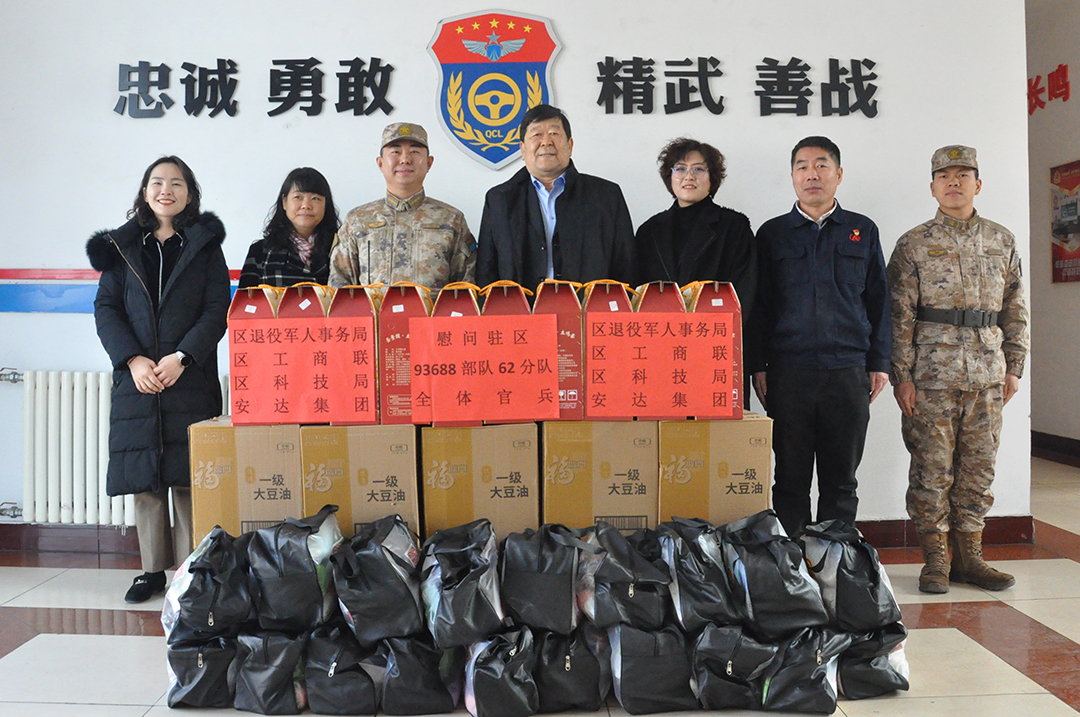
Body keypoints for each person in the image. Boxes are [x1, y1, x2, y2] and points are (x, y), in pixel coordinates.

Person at [87, 156, 229, 603]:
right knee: (145, 479)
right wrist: (132, 360)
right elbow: (107, 308)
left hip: (189, 375)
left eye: (177, 183)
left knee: (188, 478)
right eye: (157, 182)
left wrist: (182, 357)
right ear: (145, 191)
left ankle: (190, 571)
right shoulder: (122, 245)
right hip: (139, 379)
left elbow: (216, 309)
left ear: (190, 193)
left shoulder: (204, 244)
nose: (166, 190)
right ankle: (151, 572)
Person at [888, 145, 1029, 593]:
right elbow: (899, 315)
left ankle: (970, 557)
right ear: (932, 187)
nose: (954, 182)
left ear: (978, 184)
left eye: (963, 175)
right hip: (931, 375)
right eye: (944, 176)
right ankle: (935, 560)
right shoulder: (913, 244)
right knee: (931, 469)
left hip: (988, 372)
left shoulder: (1001, 240)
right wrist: (902, 376)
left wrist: (1014, 366)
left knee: (978, 468)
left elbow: (1015, 308)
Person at [750, 136, 891, 537]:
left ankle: (834, 561)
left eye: (821, 165)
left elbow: (880, 300)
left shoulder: (862, 230)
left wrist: (880, 363)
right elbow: (760, 306)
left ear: (838, 174)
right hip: (788, 373)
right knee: (789, 480)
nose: (812, 174)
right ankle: (792, 563)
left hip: (847, 371)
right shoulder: (773, 233)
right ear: (793, 176)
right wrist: (758, 366)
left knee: (841, 481)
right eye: (802, 166)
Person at [635, 137, 757, 404]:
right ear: (669, 176)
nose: (689, 176)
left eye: (699, 169)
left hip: (717, 351)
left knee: (717, 426)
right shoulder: (649, 231)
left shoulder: (734, 226)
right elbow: (638, 295)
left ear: (712, 178)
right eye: (680, 168)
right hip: (661, 352)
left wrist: (711, 336)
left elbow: (745, 294)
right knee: (665, 424)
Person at [476, 104, 635, 288]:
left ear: (570, 145)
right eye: (537, 134)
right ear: (522, 150)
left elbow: (626, 266)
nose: (546, 142)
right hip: (522, 305)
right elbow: (486, 272)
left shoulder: (606, 196)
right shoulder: (500, 200)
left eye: (554, 133)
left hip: (588, 304)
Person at [329, 123, 475, 288]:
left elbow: (465, 288)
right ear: (380, 163)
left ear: (429, 163)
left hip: (431, 306)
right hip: (374, 306)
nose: (405, 159)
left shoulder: (451, 220)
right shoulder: (358, 220)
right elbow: (339, 286)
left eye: (414, 152)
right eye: (395, 152)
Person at [239, 167, 339, 288]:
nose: (306, 205)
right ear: (284, 202)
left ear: (325, 205)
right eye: (298, 197)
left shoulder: (341, 251)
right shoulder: (260, 252)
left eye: (315, 198)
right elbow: (246, 299)